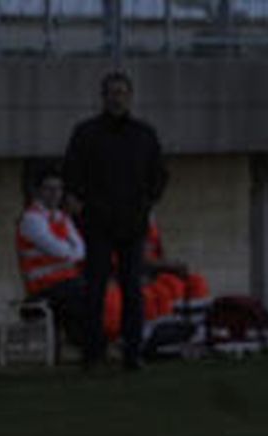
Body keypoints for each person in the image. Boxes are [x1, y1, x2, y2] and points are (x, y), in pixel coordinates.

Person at [62, 70, 167, 371]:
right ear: (103, 97)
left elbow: (158, 175)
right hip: (97, 224)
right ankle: (93, 354)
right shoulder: (86, 134)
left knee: (133, 291)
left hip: (132, 225)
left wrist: (146, 203)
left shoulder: (144, 135)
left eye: (122, 92)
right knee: (95, 290)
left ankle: (132, 354)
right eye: (112, 92)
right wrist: (80, 203)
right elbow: (72, 172)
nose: (117, 98)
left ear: (130, 96)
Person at [14, 166, 92, 347]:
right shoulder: (31, 219)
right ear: (38, 191)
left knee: (95, 288)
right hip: (43, 286)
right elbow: (56, 249)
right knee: (81, 293)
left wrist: (69, 252)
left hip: (66, 282)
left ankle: (91, 343)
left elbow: (82, 250)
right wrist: (70, 251)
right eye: (49, 188)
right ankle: (86, 344)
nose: (55, 194)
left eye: (59, 189)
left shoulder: (61, 217)